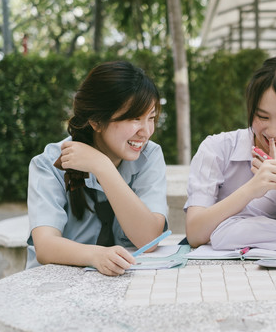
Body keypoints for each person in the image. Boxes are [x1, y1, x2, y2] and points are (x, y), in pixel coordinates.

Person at [26, 61, 169, 276]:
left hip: (120, 283)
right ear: (96, 121)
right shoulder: (49, 164)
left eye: (151, 118)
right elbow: (45, 246)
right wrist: (95, 256)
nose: (146, 131)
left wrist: (103, 168)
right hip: (55, 287)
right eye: (134, 118)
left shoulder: (149, 156)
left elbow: (148, 240)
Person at [184, 56, 276, 247]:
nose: (273, 131)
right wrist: (252, 189)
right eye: (262, 116)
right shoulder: (217, 149)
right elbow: (195, 234)